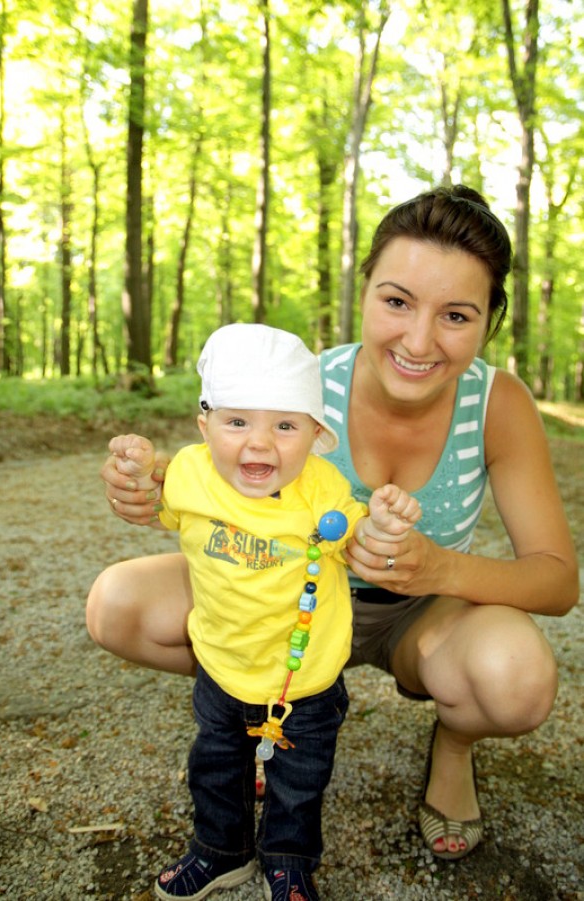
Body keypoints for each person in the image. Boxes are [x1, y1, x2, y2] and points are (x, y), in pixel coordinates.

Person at [88, 186, 579, 870]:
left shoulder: (498, 402)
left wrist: (435, 568)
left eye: (456, 315)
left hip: (420, 616)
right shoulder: (307, 382)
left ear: (490, 322)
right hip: (286, 602)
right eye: (397, 300)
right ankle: (260, 713)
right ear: (365, 291)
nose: (417, 339)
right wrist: (149, 483)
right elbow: (220, 466)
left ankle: (455, 746)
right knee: (117, 604)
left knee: (517, 678)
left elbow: (556, 579)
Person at [99, 323, 421, 901]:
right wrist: (136, 469)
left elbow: (358, 537)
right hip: (221, 666)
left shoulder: (321, 489)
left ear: (316, 433)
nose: (259, 443)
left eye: (286, 425)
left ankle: (289, 859)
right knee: (216, 768)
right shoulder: (192, 474)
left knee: (299, 782)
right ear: (205, 425)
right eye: (237, 421)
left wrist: (385, 523)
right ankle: (221, 851)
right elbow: (150, 495)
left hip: (307, 680)